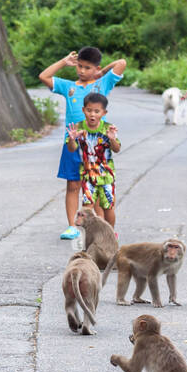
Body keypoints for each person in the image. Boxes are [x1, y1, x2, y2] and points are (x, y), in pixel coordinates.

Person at [38, 46, 126, 240]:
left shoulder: (103, 83)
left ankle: (99, 229)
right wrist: (63, 62)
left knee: (94, 186)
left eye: (87, 68)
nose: (82, 71)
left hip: (96, 147)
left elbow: (121, 63)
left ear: (96, 68)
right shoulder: (68, 86)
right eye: (80, 67)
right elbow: (44, 76)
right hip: (73, 142)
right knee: (73, 184)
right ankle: (72, 226)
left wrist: (101, 73)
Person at [65, 93, 121, 227]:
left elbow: (117, 149)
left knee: (108, 207)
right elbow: (72, 149)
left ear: (104, 112)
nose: (92, 114)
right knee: (86, 208)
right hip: (88, 175)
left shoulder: (107, 128)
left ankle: (110, 234)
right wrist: (72, 139)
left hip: (106, 176)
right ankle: (88, 236)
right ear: (83, 110)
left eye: (97, 111)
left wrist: (112, 139)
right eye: (89, 110)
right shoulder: (78, 127)